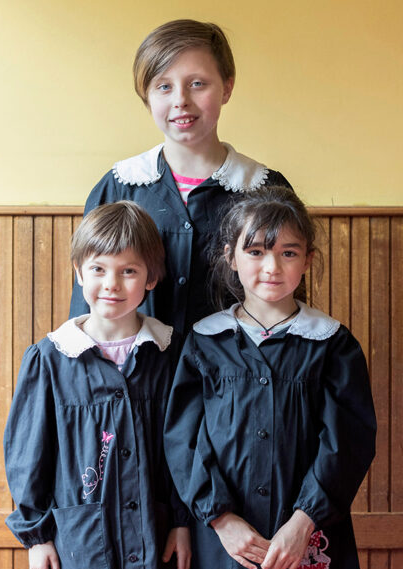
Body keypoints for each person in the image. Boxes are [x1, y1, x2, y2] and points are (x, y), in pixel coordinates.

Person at [164, 186, 376, 569]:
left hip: (308, 540)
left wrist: (305, 522)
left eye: (288, 253)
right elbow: (183, 440)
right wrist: (221, 519)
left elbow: (347, 443)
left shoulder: (332, 345)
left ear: (309, 260)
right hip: (225, 545)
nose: (272, 267)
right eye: (256, 251)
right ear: (230, 256)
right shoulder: (205, 343)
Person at [5, 201, 191, 569]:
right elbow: (28, 457)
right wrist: (37, 538)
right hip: (79, 546)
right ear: (78, 272)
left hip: (155, 537)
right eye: (99, 269)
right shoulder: (50, 359)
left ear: (151, 278)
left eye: (129, 271)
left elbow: (186, 448)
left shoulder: (170, 354)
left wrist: (182, 522)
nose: (112, 284)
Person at [70, 19, 292, 337]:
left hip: (235, 381)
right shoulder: (119, 186)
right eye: (164, 86)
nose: (180, 100)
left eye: (197, 83)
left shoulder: (264, 189)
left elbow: (287, 306)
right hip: (136, 380)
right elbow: (86, 310)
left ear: (227, 87)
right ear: (146, 96)